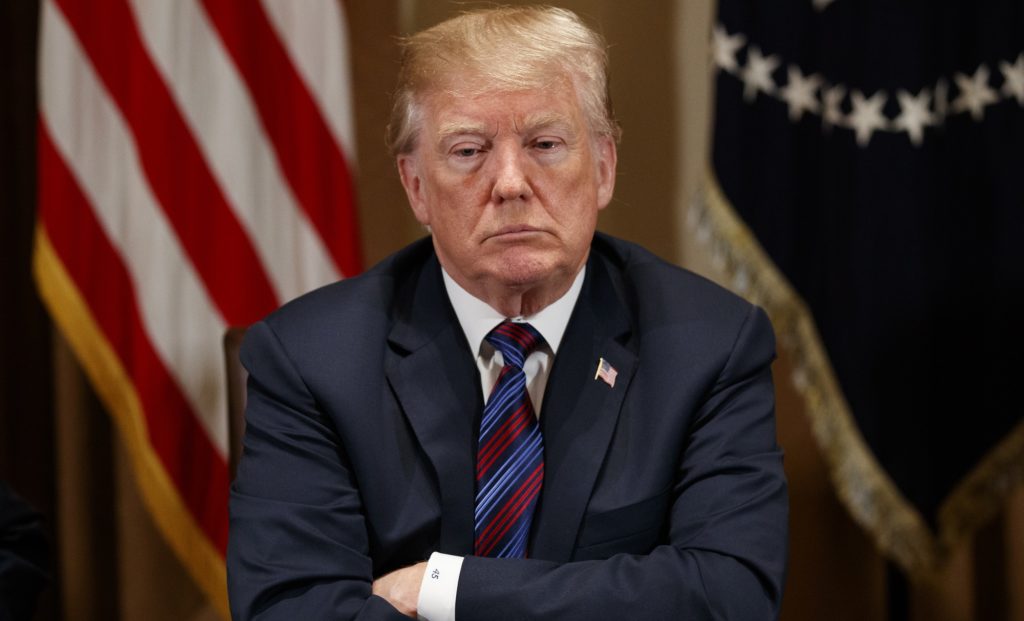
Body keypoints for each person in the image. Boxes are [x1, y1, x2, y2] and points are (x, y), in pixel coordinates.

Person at [228, 6, 787, 620]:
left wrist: (442, 589)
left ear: (603, 168)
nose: (511, 183)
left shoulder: (709, 346)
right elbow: (291, 607)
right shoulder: (311, 360)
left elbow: (729, 595)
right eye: (469, 151)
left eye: (545, 144)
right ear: (416, 186)